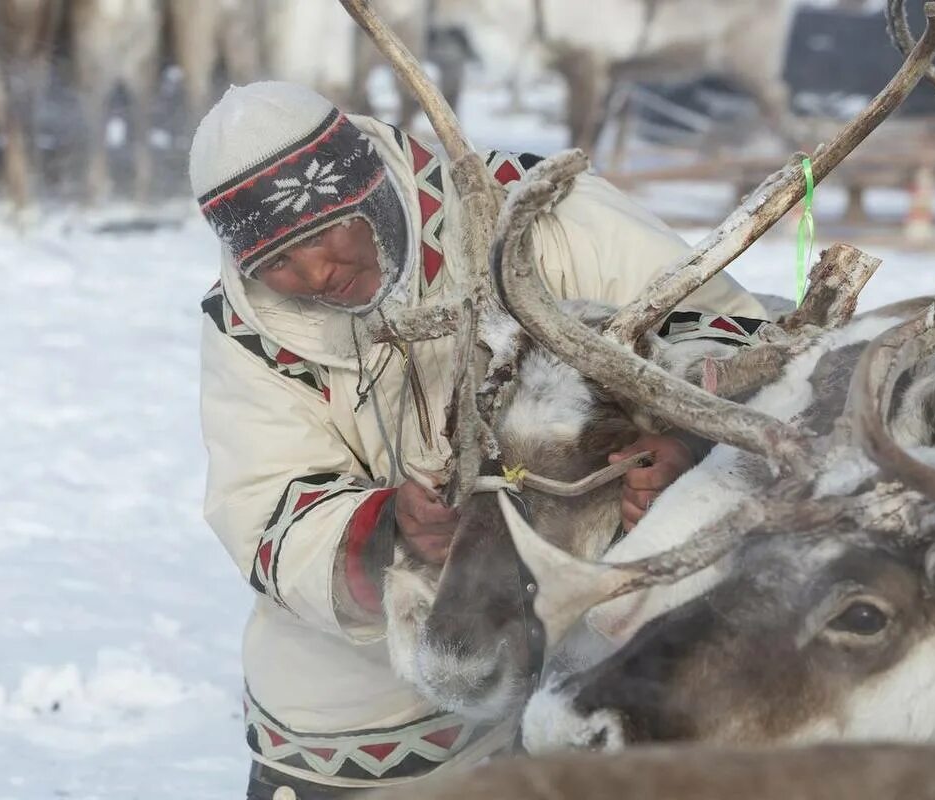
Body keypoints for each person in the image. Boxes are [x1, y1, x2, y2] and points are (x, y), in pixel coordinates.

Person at [191, 81, 769, 799]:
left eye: (322, 232)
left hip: (597, 643)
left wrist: (686, 447)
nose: (312, 273)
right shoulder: (251, 332)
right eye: (275, 261)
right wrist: (387, 529)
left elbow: (733, 340)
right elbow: (266, 512)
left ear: (369, 191)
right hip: (373, 712)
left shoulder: (533, 213)